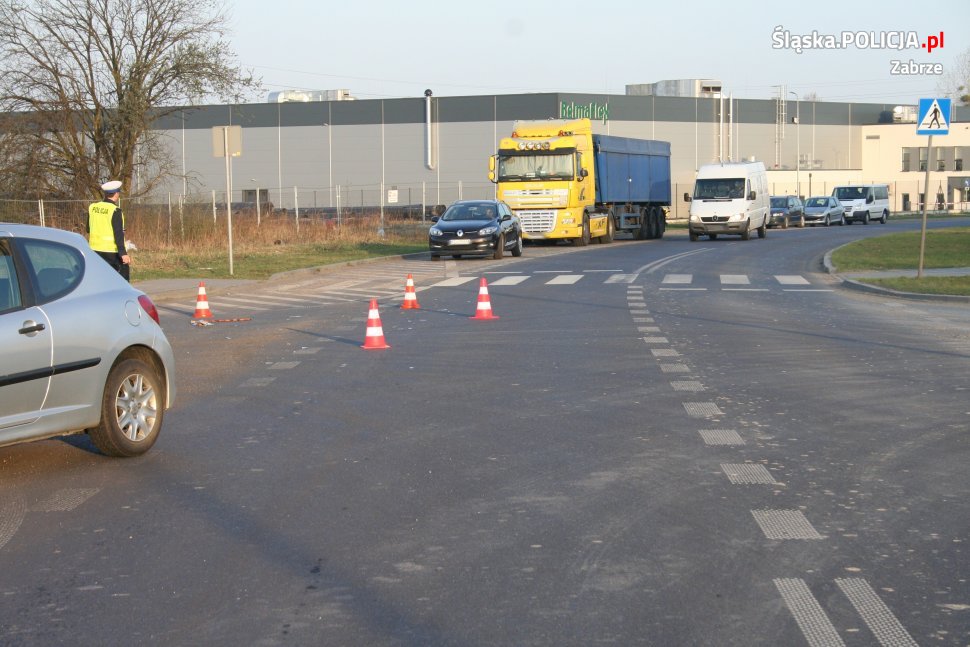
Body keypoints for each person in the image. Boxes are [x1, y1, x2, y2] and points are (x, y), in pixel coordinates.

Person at [87, 180, 130, 281]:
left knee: (99, 279)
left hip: (94, 250)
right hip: (111, 252)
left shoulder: (93, 207)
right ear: (116, 194)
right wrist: (123, 253)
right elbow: (118, 234)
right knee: (121, 279)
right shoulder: (115, 210)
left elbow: (88, 229)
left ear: (106, 194)